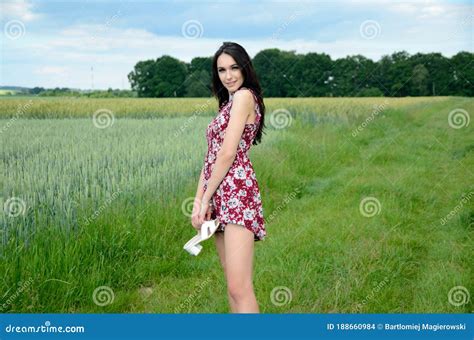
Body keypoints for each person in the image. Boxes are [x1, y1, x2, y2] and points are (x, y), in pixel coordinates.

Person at [191, 42, 267, 313]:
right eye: (222, 70)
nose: (228, 75)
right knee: (231, 284)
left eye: (234, 67)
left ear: (245, 68)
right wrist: (199, 200)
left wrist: (207, 196)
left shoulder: (245, 96)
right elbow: (210, 157)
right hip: (218, 191)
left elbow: (226, 154)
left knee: (240, 286)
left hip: (236, 190)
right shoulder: (228, 103)